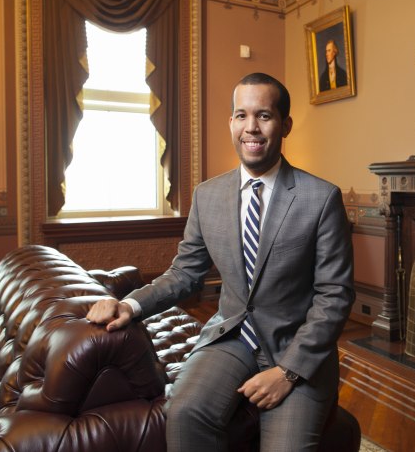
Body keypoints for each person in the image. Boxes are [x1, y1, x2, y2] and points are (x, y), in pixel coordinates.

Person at [86, 72, 355, 452]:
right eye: (242, 115)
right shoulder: (208, 195)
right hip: (231, 338)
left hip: (295, 345)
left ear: (285, 124)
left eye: (264, 115)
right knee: (183, 412)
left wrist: (288, 371)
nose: (252, 128)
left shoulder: (321, 198)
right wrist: (129, 304)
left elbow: (335, 296)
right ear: (231, 122)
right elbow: (184, 274)